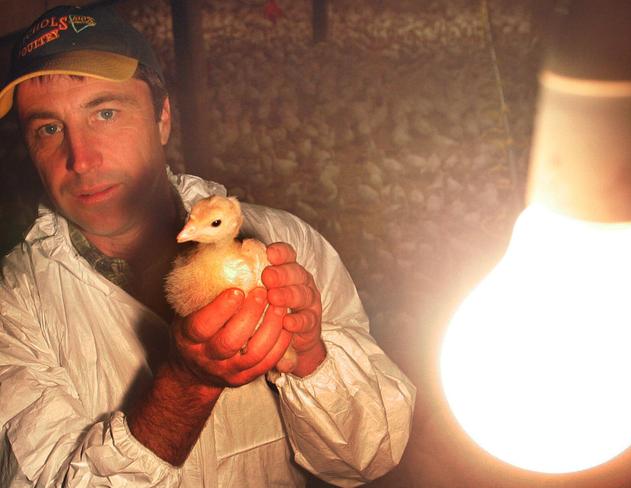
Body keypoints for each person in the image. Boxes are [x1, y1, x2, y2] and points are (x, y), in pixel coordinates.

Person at [0, 4, 415, 487]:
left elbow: (370, 458)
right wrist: (186, 386)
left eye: (106, 113)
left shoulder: (285, 245)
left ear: (162, 118)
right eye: (48, 128)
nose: (81, 159)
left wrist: (309, 360)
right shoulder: (14, 309)